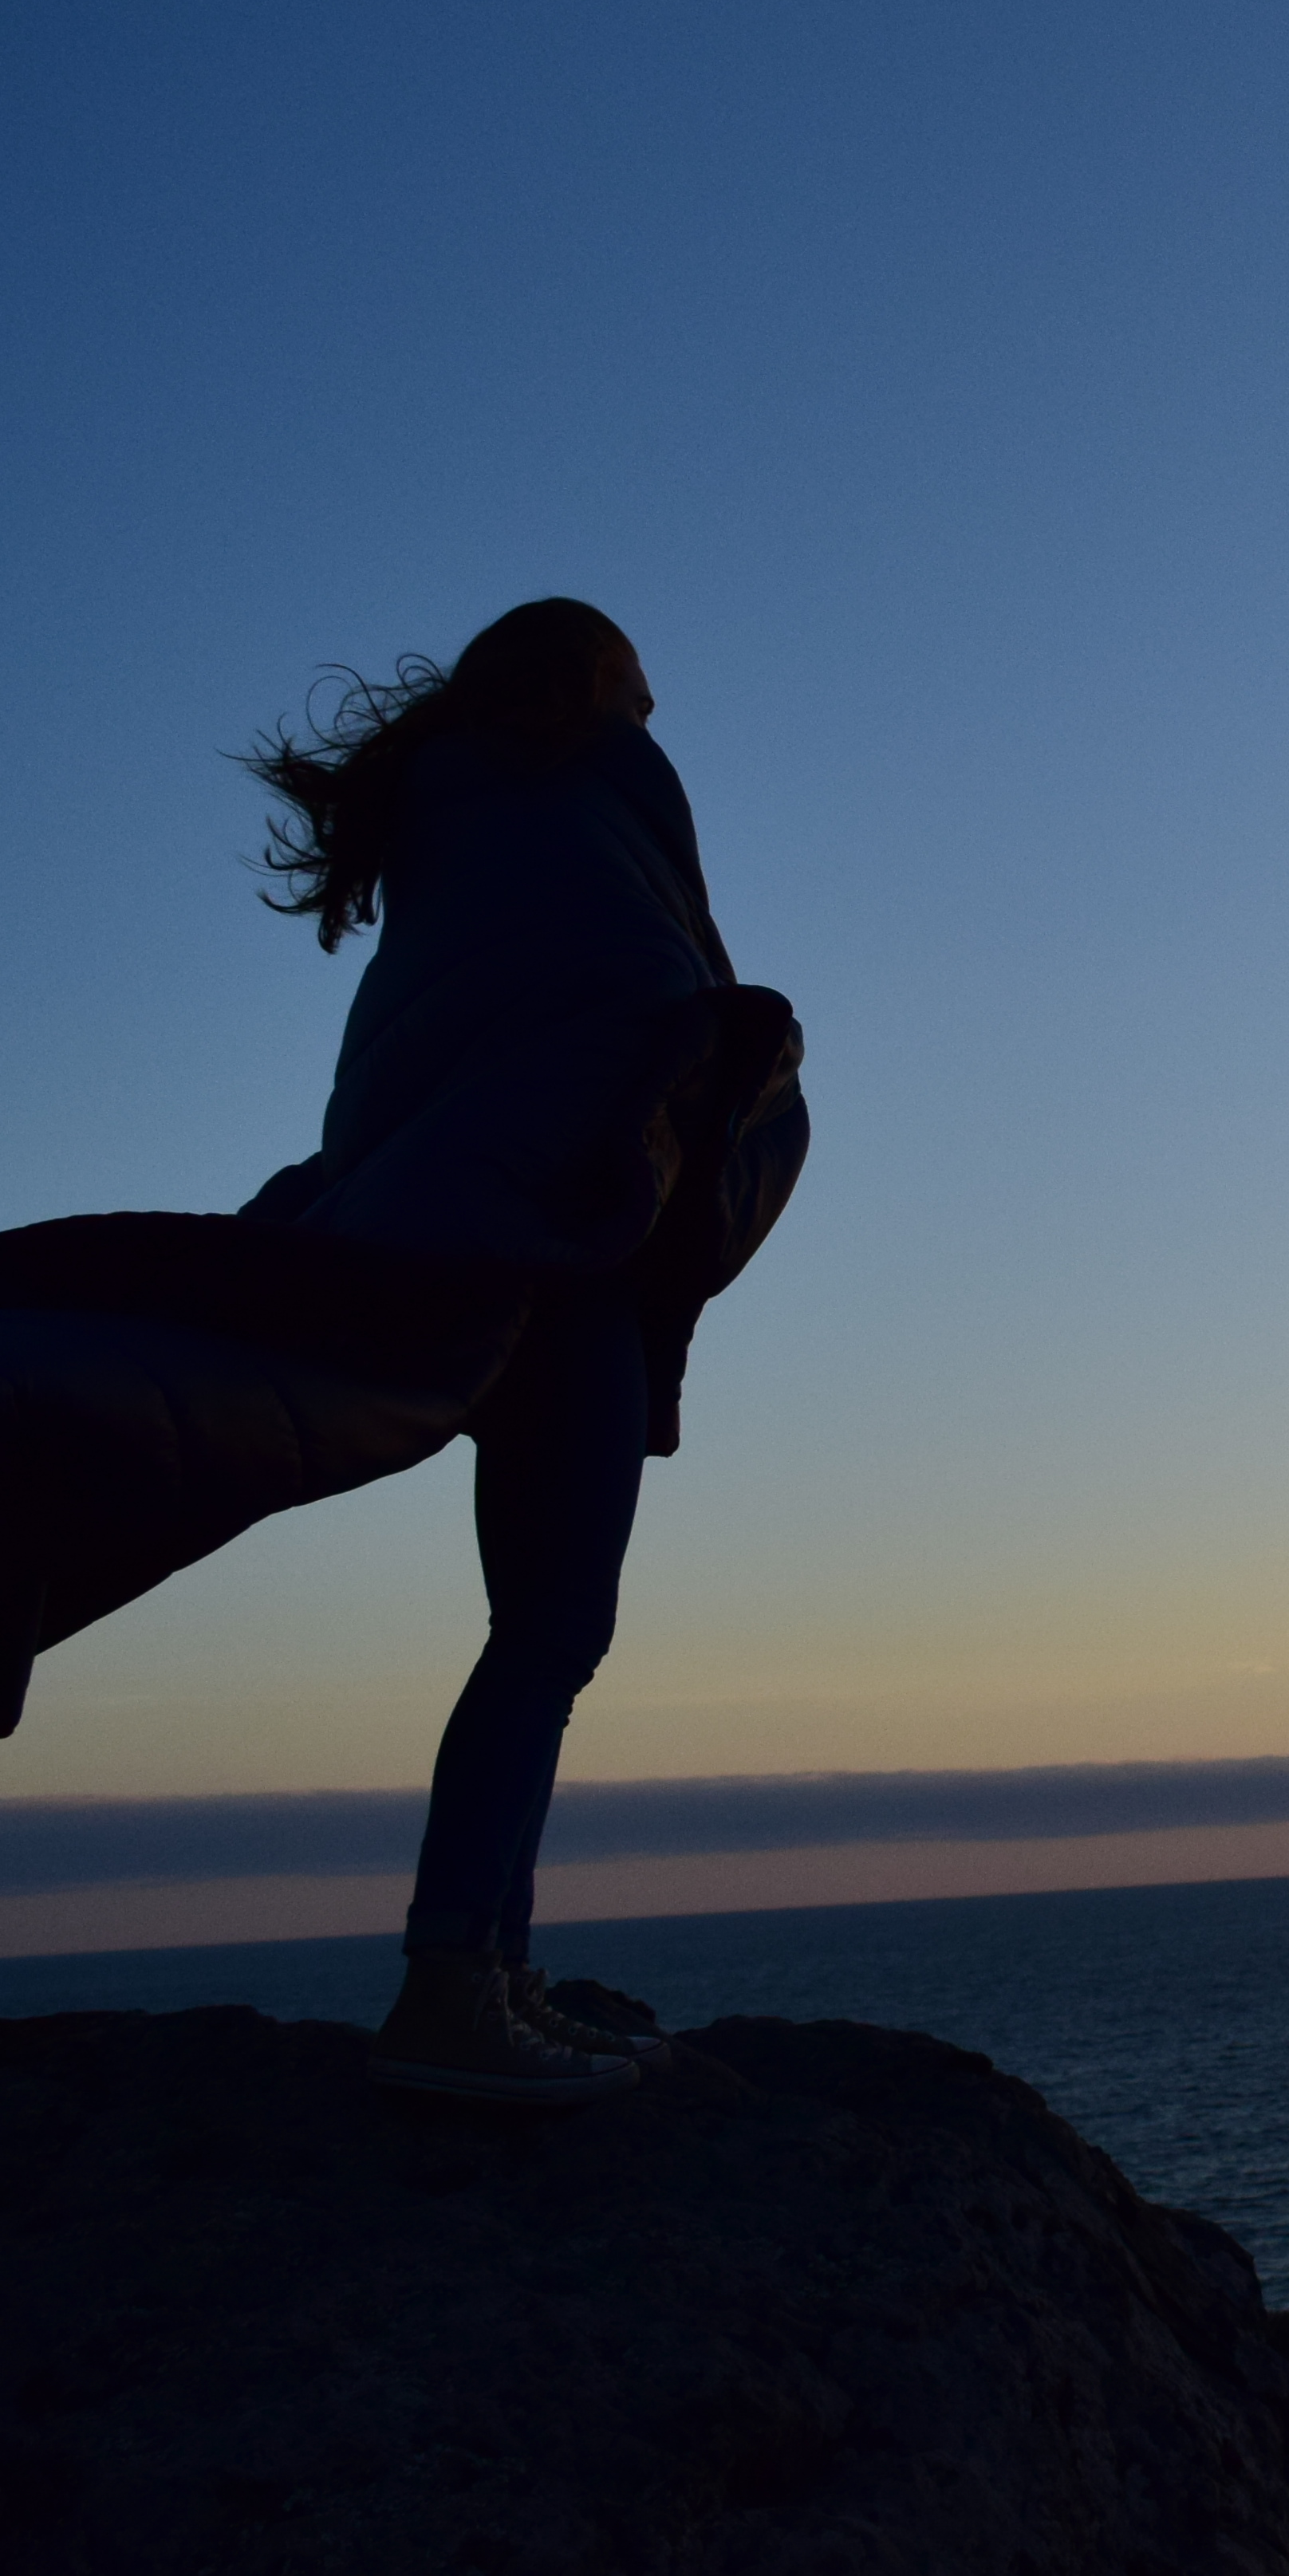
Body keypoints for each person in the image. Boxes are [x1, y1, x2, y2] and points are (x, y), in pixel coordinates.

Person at [238, 598, 781, 2107]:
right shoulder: (599, 776)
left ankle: (499, 1972)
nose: (653, 717)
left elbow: (438, 1026)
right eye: (641, 689)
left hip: (434, 1225)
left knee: (535, 1629)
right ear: (597, 683)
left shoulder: (434, 807)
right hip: (564, 1230)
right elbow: (665, 987)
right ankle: (453, 1983)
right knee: (552, 1631)